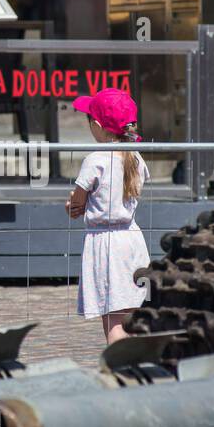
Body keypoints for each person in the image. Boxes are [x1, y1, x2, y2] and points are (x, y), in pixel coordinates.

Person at [65, 88, 151, 344]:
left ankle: (120, 366)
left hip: (105, 243)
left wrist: (72, 204)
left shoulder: (95, 160)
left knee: (112, 318)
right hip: (133, 241)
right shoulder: (136, 157)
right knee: (133, 313)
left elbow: (76, 204)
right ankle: (138, 364)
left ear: (98, 126)